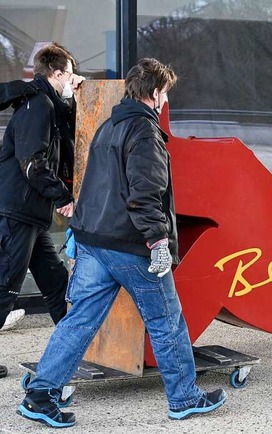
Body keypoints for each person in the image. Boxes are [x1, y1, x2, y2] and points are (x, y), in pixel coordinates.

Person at [17, 58, 227, 428]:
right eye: (165, 93)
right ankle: (185, 398)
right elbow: (145, 195)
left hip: (93, 241)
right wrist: (159, 241)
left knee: (78, 321)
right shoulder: (144, 133)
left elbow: (94, 186)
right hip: (131, 246)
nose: (165, 101)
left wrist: (78, 230)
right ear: (156, 92)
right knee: (167, 323)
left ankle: (40, 394)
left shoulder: (109, 126)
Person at [0, 43, 84, 376]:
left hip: (29, 214)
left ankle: (73, 352)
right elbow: (32, 163)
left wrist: (76, 100)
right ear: (57, 72)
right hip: (16, 212)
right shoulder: (38, 105)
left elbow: (69, 135)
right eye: (71, 72)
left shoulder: (50, 105)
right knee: (5, 285)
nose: (74, 78)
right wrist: (63, 196)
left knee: (55, 283)